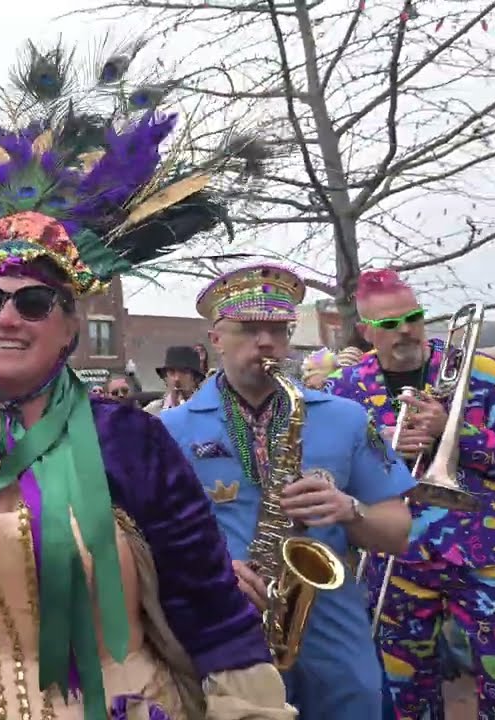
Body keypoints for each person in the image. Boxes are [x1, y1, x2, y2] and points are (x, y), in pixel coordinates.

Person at [0, 42, 297, 720]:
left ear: (69, 327)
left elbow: (210, 610)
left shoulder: (134, 442)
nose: (6, 319)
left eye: (32, 304)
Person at [159, 264, 416, 720]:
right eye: (250, 330)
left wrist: (350, 510)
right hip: (226, 623)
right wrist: (209, 571)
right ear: (216, 338)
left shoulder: (346, 417)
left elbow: (398, 533)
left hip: (332, 627)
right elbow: (142, 542)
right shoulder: (167, 430)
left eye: (278, 330)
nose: (266, 343)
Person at [323, 268, 495, 719]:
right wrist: (380, 444)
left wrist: (453, 432)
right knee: (404, 690)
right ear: (366, 331)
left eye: (414, 317)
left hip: (483, 546)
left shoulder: (479, 370)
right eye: (388, 324)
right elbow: (329, 469)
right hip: (394, 554)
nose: (404, 330)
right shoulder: (343, 389)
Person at [144, 346, 207, 414]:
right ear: (165, 377)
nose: (177, 378)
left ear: (195, 379)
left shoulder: (206, 412)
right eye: (171, 372)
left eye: (184, 372)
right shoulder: (151, 412)